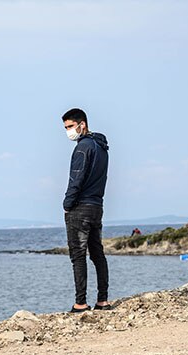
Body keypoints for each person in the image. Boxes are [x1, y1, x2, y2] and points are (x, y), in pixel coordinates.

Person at [62, 108, 111, 313]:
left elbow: (76, 178)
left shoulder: (82, 148)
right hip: (96, 205)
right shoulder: (101, 147)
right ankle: (103, 300)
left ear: (82, 124)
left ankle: (80, 303)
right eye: (65, 128)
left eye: (71, 126)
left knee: (78, 255)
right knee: (97, 253)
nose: (68, 132)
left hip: (80, 207)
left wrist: (67, 203)